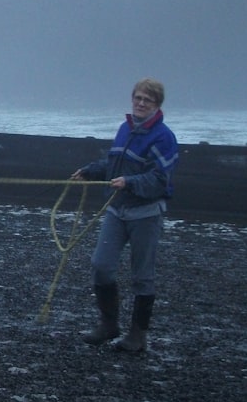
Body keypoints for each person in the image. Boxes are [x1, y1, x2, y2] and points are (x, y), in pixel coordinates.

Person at [70, 78, 179, 352]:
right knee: (101, 265)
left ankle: (138, 336)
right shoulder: (124, 129)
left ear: (157, 105)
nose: (141, 103)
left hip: (146, 214)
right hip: (117, 210)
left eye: (148, 100)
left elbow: (159, 180)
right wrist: (90, 171)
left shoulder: (164, 137)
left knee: (142, 275)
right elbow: (113, 163)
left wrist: (130, 182)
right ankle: (109, 325)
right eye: (138, 98)